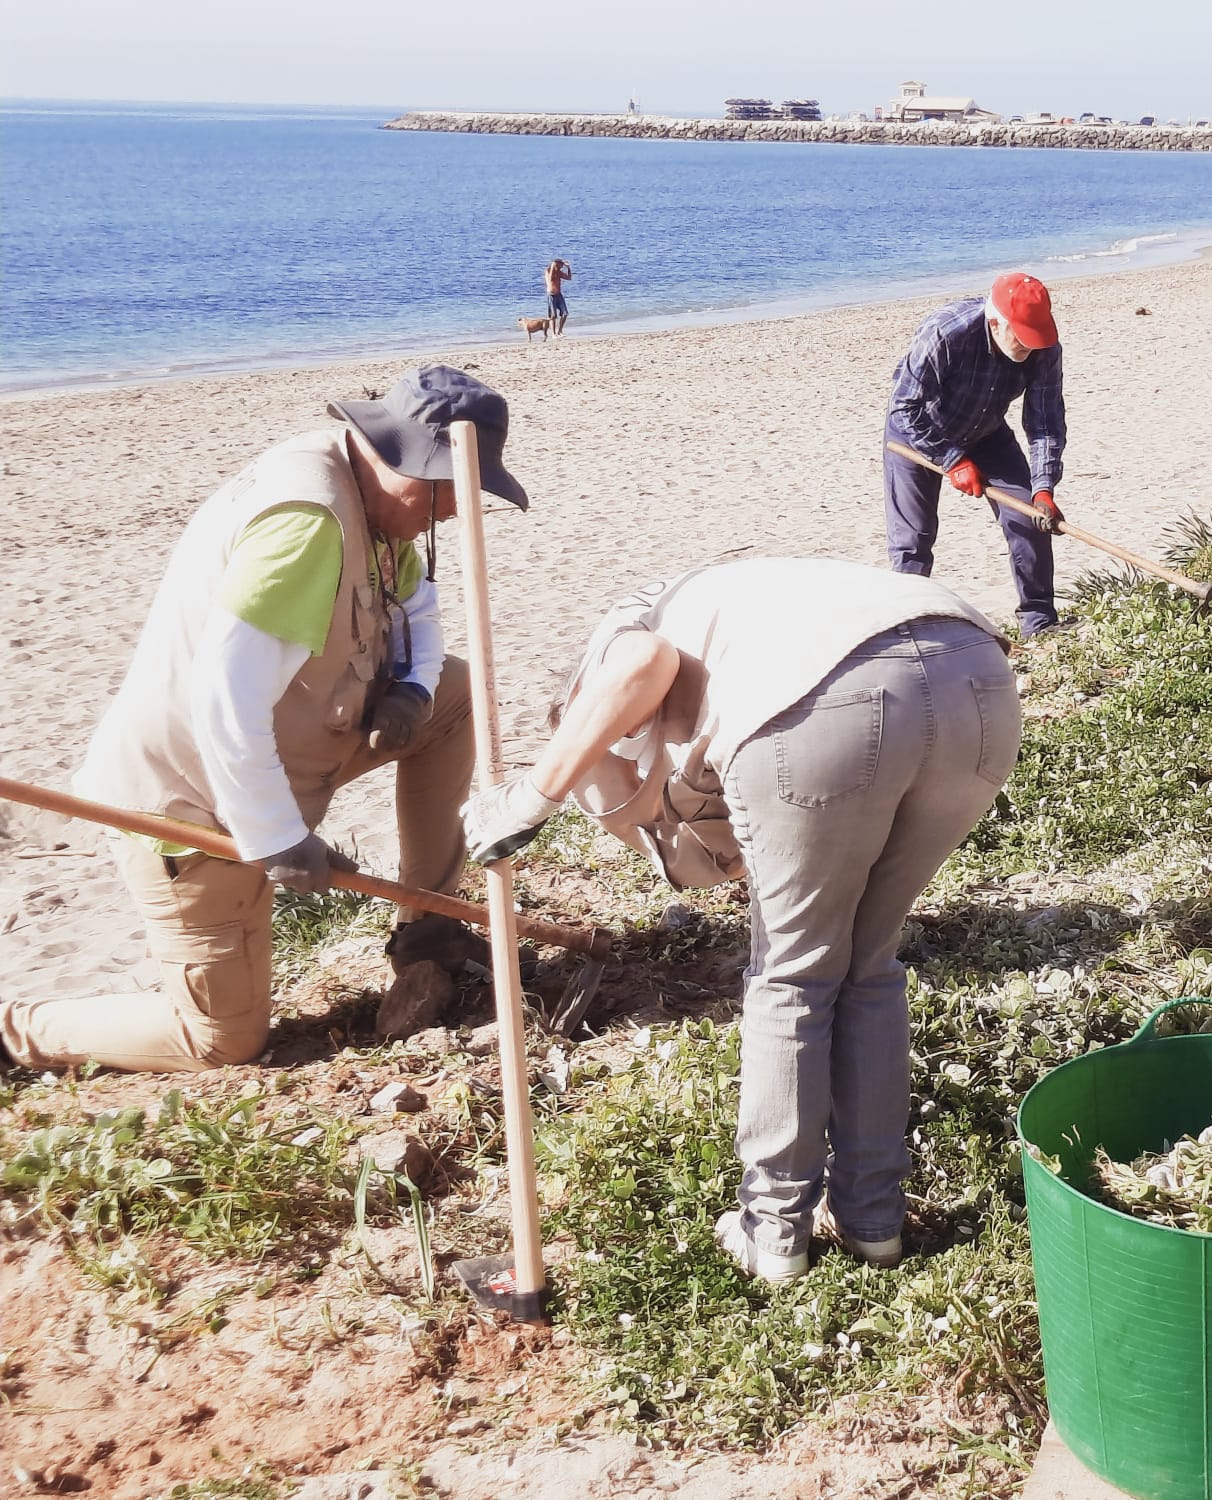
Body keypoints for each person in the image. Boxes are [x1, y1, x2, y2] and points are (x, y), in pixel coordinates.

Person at [461, 559, 1022, 1282]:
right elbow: (702, 826)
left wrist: (527, 800)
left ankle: (775, 1231)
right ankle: (873, 1221)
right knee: (868, 965)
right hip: (976, 680)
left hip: (830, 700)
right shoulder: (735, 608)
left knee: (795, 975)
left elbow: (641, 664)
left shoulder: (621, 638)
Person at [0, 367, 530, 1074]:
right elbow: (223, 697)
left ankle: (427, 931)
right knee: (220, 1040)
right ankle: (14, 1031)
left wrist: (411, 689)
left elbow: (419, 608)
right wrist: (279, 838)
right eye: (450, 489)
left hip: (291, 750)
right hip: (191, 801)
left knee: (452, 693)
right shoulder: (310, 522)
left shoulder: (375, 494)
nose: (457, 511)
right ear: (401, 461)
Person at [883, 271, 1066, 637]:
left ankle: (1039, 622)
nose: (1030, 348)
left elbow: (1045, 422)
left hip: (987, 432)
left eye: (1035, 338)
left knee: (1028, 517)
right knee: (913, 540)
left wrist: (1043, 487)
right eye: (1022, 337)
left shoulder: (1044, 347)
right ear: (996, 323)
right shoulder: (946, 333)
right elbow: (903, 408)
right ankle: (908, 630)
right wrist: (951, 459)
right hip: (918, 434)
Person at [543, 258, 573, 335]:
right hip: (551, 295)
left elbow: (569, 278)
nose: (561, 267)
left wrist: (568, 268)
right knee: (553, 316)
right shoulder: (548, 271)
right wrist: (553, 265)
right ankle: (553, 334)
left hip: (559, 295)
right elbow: (550, 278)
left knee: (565, 313)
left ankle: (560, 331)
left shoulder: (558, 272)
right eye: (560, 265)